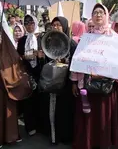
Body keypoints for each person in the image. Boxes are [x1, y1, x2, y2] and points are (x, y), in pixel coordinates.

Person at [72, 3, 118, 149]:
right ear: (91, 16)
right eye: (95, 12)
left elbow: (117, 62)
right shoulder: (86, 38)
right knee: (88, 115)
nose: (98, 15)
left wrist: (103, 73)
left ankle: (103, 143)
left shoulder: (113, 37)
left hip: (105, 86)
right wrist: (75, 82)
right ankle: (87, 142)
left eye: (101, 12)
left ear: (106, 15)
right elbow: (78, 61)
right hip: (87, 85)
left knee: (102, 116)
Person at [0, 18, 32, 149]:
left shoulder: (6, 41)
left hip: (9, 81)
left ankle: (11, 136)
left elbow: (14, 58)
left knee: (9, 109)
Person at [38, 16, 77, 145]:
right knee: (51, 109)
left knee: (64, 110)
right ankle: (53, 135)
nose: (56, 27)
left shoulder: (71, 43)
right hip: (52, 83)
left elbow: (76, 63)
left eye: (59, 25)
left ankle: (64, 135)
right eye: (54, 25)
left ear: (65, 27)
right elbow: (46, 62)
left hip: (66, 83)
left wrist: (66, 62)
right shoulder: (48, 41)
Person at [16, 15, 40, 137]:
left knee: (40, 101)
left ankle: (40, 125)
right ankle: (30, 126)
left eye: (32, 23)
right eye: (26, 23)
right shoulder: (22, 40)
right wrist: (25, 57)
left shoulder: (41, 38)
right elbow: (18, 57)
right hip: (27, 74)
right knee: (28, 102)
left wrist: (40, 56)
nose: (29, 26)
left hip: (40, 74)